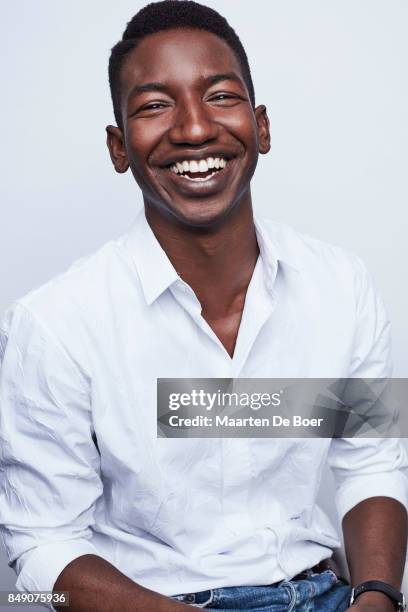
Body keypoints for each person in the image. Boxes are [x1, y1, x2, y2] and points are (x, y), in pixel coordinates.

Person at [0, 1, 407, 610]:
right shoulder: (55, 325)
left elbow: (372, 461)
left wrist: (377, 595)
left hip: (326, 591)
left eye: (219, 96)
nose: (193, 129)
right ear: (119, 147)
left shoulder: (340, 286)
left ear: (261, 126)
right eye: (154, 105)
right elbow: (39, 545)